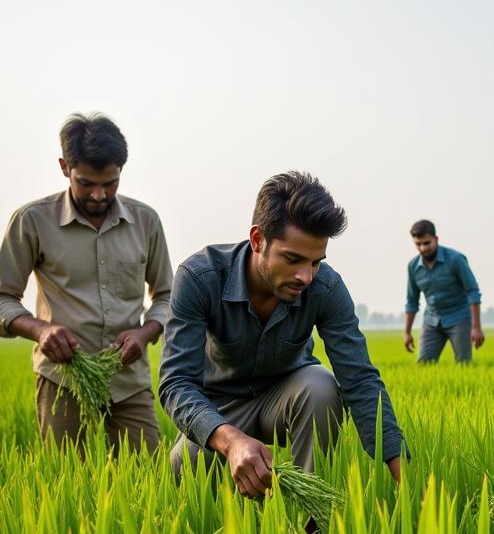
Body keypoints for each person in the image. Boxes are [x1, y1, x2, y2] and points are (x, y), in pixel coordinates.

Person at [159, 171, 404, 496]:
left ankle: (313, 523)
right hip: (220, 406)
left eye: (316, 262)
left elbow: (360, 380)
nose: (305, 276)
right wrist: (230, 441)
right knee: (183, 472)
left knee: (321, 387)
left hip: (287, 397)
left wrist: (409, 484)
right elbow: (176, 383)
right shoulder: (200, 277)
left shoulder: (326, 287)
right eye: (293, 259)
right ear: (258, 239)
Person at [0, 112, 172, 450]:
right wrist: (42, 331)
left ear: (120, 171)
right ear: (64, 167)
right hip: (62, 381)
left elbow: (167, 296)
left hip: (129, 382)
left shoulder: (146, 221)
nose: (99, 195)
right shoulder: (33, 221)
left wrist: (145, 333)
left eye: (110, 183)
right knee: (67, 485)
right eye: (86, 183)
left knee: (147, 479)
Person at [404, 219, 484, 362]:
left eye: (427, 243)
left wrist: (476, 327)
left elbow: (473, 292)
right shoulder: (413, 267)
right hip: (432, 320)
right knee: (424, 365)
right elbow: (411, 301)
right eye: (418, 244)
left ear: (436, 239)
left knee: (463, 365)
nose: (423, 248)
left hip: (459, 318)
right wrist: (407, 332)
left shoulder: (456, 260)